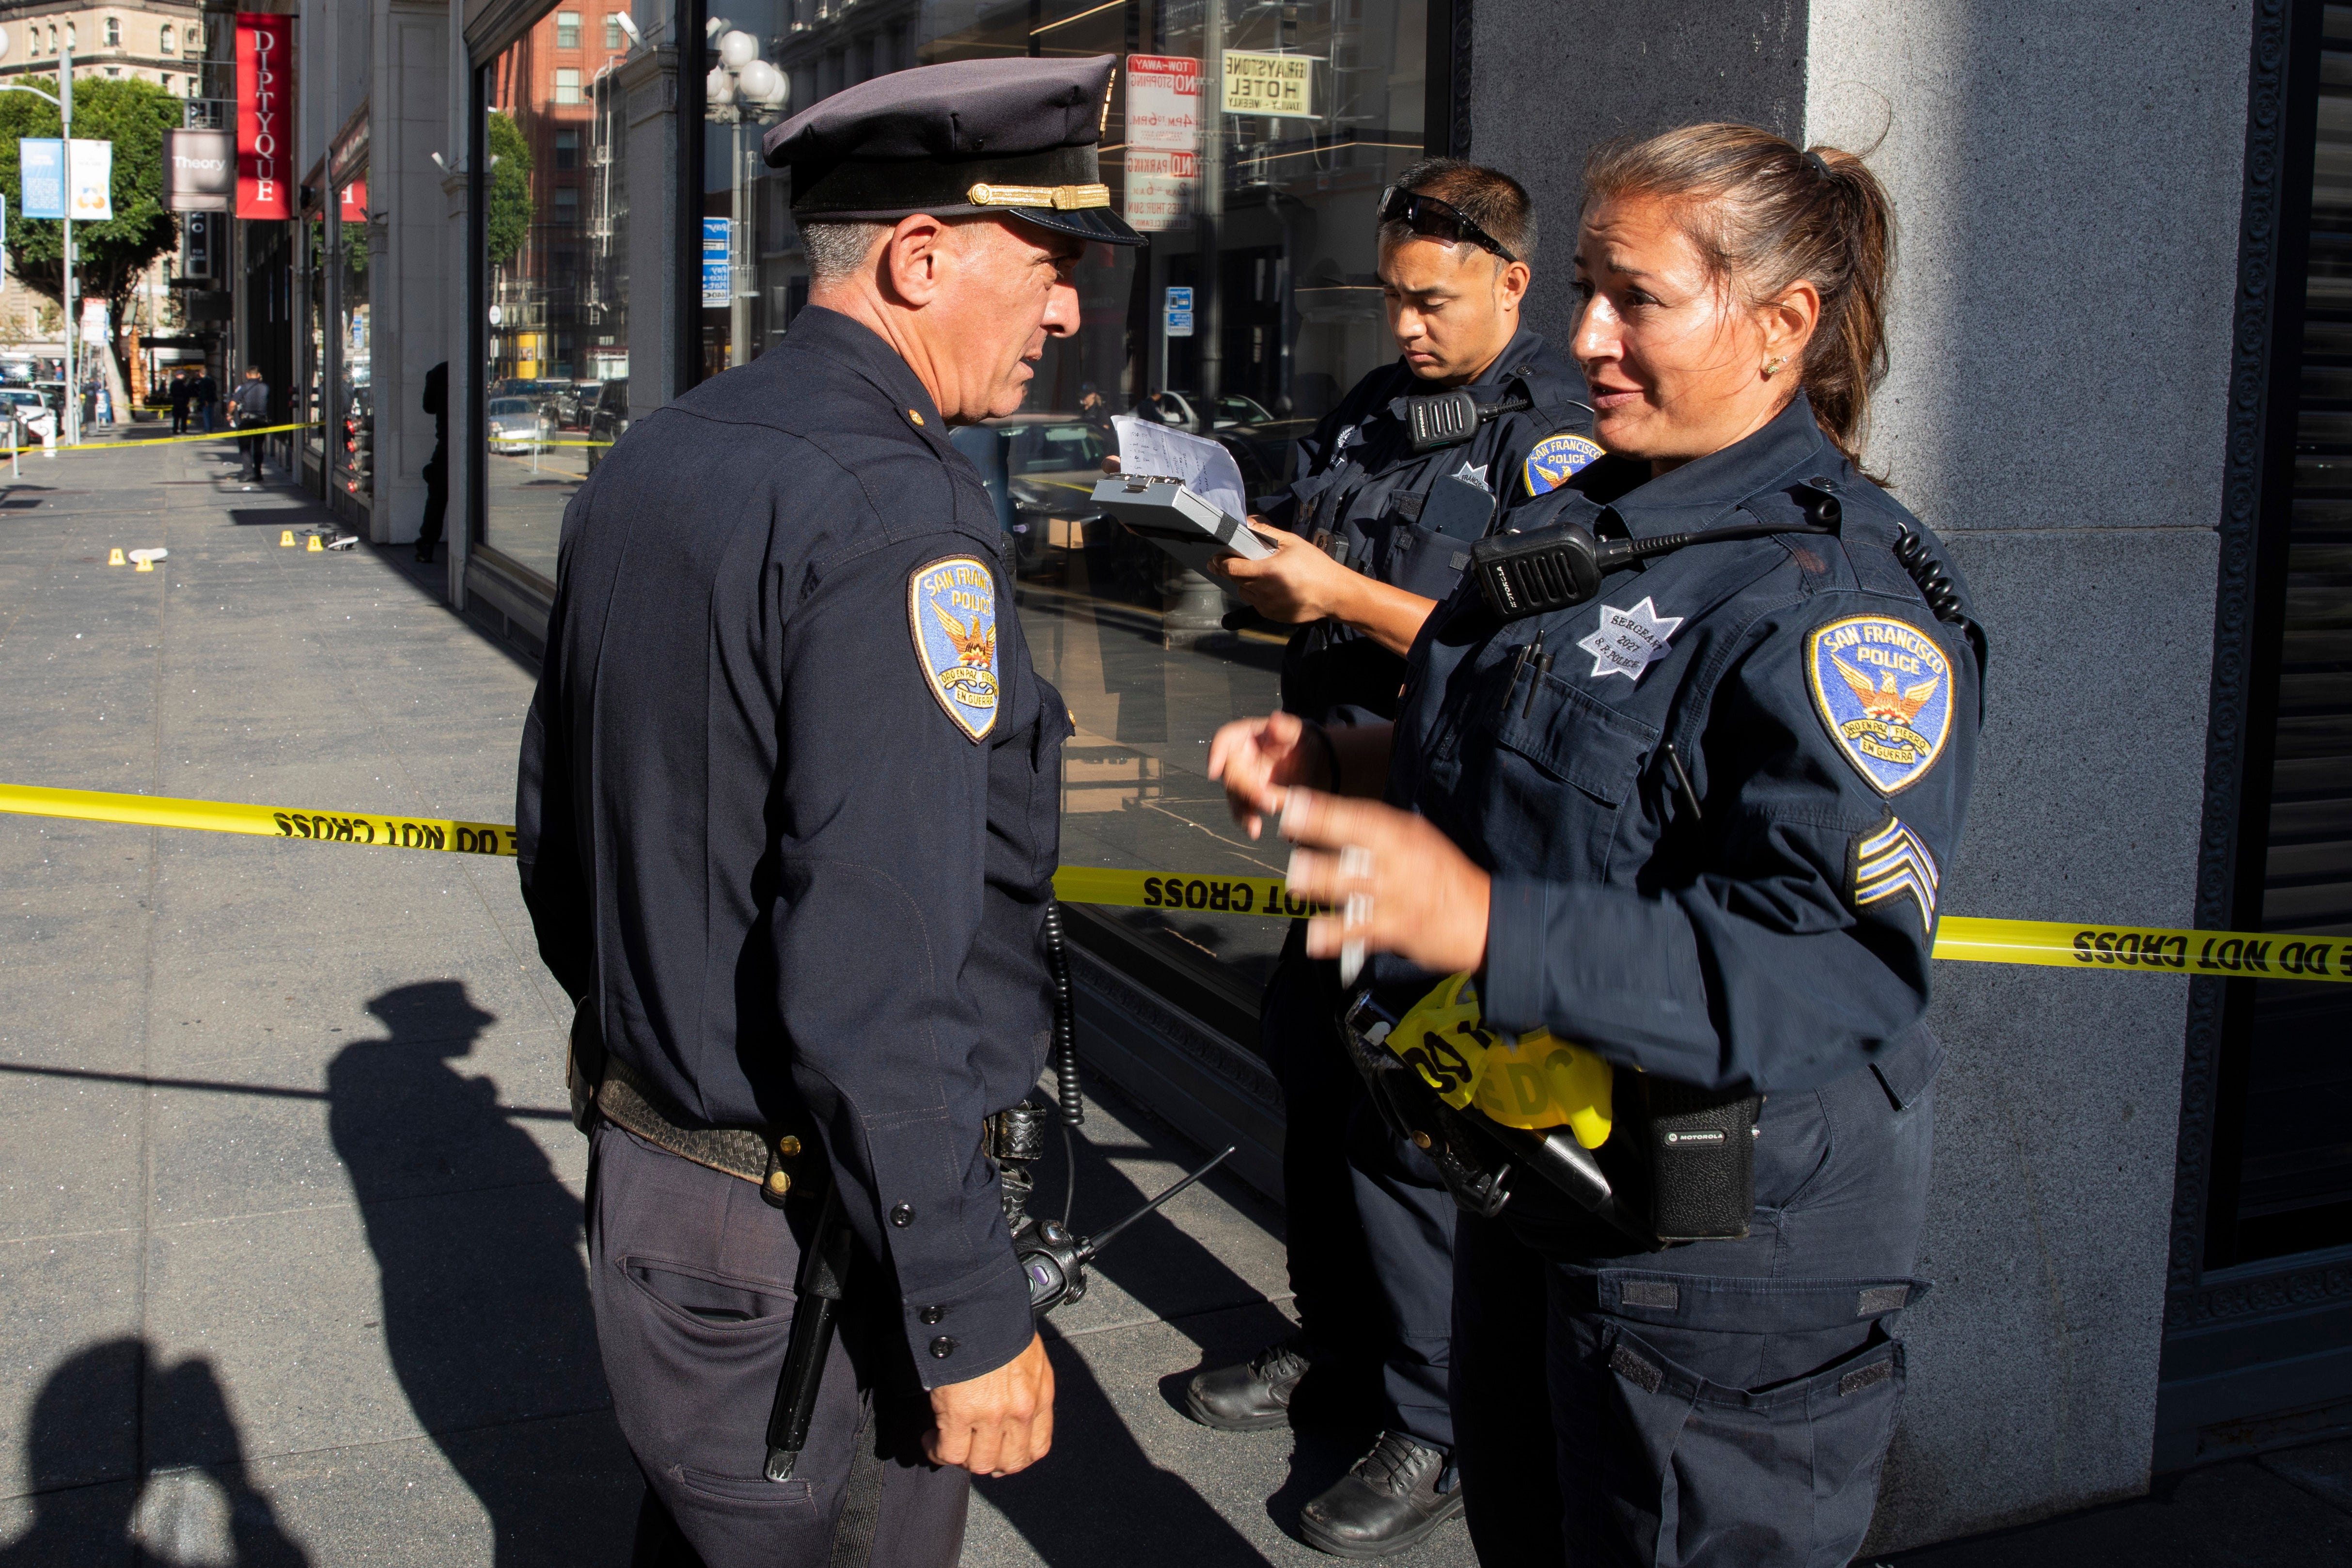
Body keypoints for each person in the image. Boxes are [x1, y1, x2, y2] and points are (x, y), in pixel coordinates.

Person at [1209, 124, 1986, 1568]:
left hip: (1714, 1255)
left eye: (1634, 299)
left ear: (1781, 323)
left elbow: (1835, 975)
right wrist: (1343, 758)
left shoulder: (1841, 605)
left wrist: (1490, 926)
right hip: (1546, 1175)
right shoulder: (1595, 517)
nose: (1584, 335)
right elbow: (1534, 747)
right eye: (1582, 288)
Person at [516, 55, 1144, 1568]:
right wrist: (965, 1306)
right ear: (921, 260)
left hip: (666, 1184)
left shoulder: (664, 449)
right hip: (809, 1247)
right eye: (1050, 266)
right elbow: (878, 972)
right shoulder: (900, 513)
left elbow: (558, 842)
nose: (1067, 313)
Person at [1178, 158, 1594, 1559]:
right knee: (1314, 1091)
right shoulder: (1373, 410)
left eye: (1434, 300)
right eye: (1392, 296)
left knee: (1411, 1140)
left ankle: (1436, 1422)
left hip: (1447, 845)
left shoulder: (1557, 440)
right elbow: (1305, 528)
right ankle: (1341, 1358)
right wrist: (1232, 541)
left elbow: (1528, 657)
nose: (1406, 325)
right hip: (1335, 819)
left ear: (1512, 283)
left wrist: (1340, 592)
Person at [416, 362, 449, 564]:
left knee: (437, 500)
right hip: (471, 445)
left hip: (446, 445)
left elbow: (428, 407)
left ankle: (426, 545)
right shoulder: (470, 369)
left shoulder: (438, 372)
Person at [230, 366, 270, 482]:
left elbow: (232, 404)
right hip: (262, 421)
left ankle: (248, 473)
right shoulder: (265, 387)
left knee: (245, 448)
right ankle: (258, 473)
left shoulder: (243, 387)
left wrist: (229, 415)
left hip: (247, 421)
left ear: (247, 375)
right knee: (259, 448)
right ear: (258, 375)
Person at [192, 368, 219, 434]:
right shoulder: (212, 380)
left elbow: (203, 392)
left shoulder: (203, 381)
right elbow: (214, 389)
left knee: (206, 415)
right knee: (211, 415)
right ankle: (210, 428)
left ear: (201, 374)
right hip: (212, 399)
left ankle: (208, 429)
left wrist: (205, 400)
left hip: (207, 400)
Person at [169, 370, 191, 436]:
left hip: (176, 402)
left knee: (176, 417)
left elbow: (172, 393)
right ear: (179, 375)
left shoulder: (173, 383)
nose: (184, 376)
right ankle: (183, 430)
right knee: (183, 417)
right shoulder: (182, 384)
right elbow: (186, 393)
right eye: (183, 375)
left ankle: (175, 430)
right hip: (183, 402)